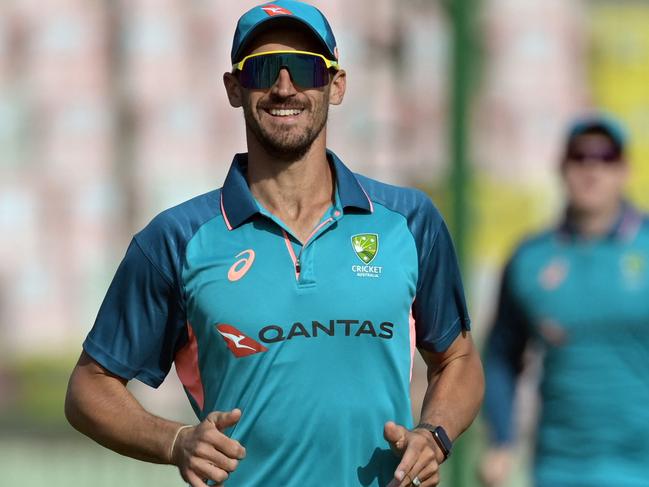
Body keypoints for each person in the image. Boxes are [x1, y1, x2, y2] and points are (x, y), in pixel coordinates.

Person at [64, 2, 484, 486]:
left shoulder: (408, 221)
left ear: (336, 84)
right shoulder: (177, 238)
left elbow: (458, 358)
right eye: (263, 69)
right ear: (234, 88)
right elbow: (88, 387)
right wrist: (175, 441)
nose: (285, 87)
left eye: (305, 68)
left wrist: (434, 435)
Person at [480, 114, 649, 487]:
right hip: (560, 468)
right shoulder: (530, 259)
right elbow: (501, 355)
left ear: (624, 170)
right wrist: (502, 440)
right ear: (562, 167)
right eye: (580, 156)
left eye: (606, 157)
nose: (592, 169)